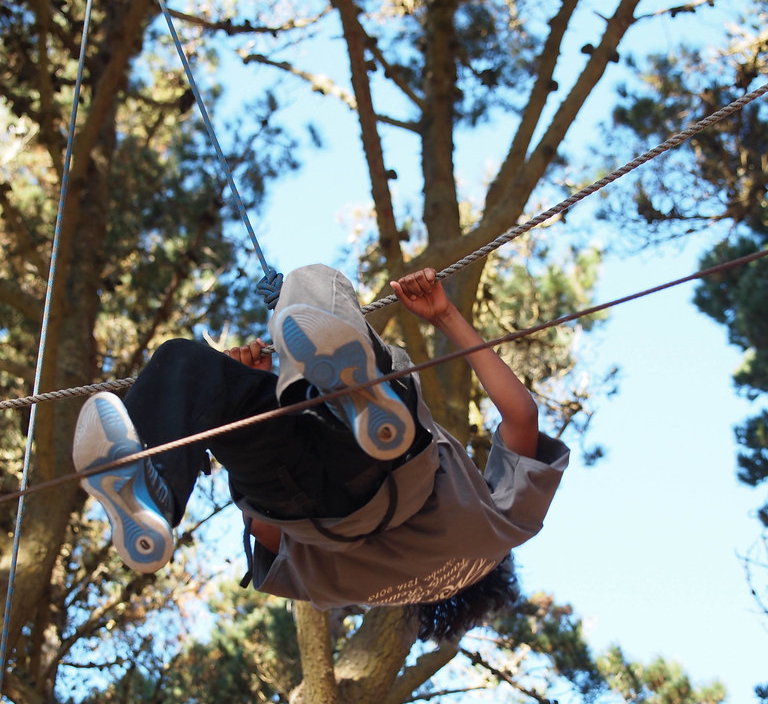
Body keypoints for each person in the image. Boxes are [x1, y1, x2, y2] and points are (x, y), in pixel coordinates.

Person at [73, 265, 569, 639]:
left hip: (388, 466)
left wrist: (445, 315)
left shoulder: (502, 534)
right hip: (301, 502)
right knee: (186, 366)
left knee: (314, 282)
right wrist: (250, 398)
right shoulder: (347, 593)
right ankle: (157, 488)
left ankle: (352, 399)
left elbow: (521, 417)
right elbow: (266, 528)